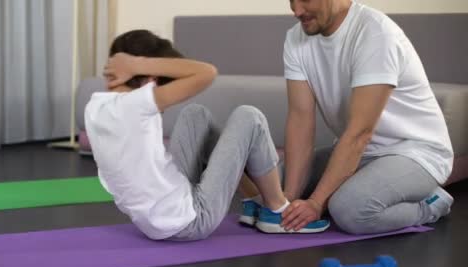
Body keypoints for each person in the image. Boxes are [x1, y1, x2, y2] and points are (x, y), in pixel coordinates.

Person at [84, 30, 329, 241]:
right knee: (249, 117)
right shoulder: (134, 105)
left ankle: (255, 201)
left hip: (157, 217)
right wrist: (139, 64)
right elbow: (207, 73)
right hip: (189, 221)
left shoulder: (95, 107)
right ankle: (277, 210)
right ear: (151, 79)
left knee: (195, 114)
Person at [250, 0, 453, 234]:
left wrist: (316, 203)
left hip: (414, 153)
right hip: (363, 152)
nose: (296, 11)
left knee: (349, 210)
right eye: (292, 0)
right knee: (275, 179)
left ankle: (430, 204)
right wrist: (288, 198)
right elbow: (300, 120)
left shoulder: (376, 33)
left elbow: (360, 133)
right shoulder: (295, 38)